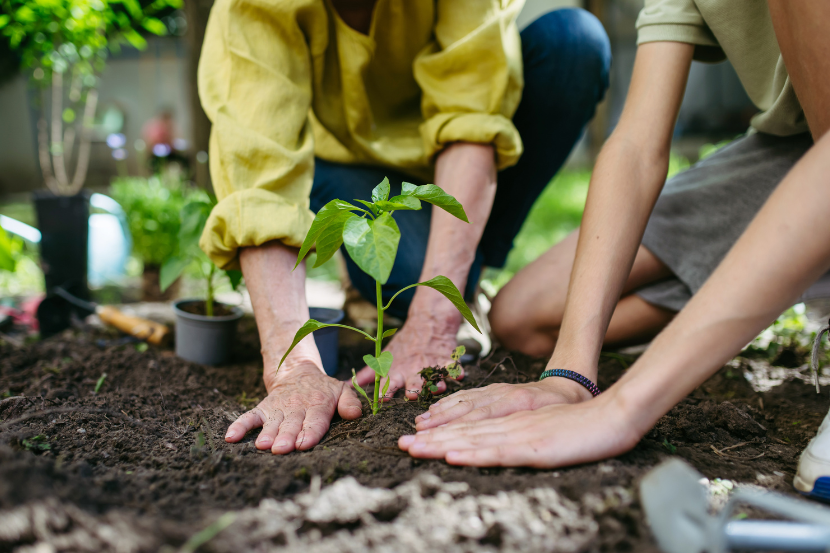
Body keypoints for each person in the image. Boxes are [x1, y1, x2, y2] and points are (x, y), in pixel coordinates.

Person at [398, 0, 830, 491]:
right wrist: (570, 377)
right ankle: (788, 274)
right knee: (524, 317)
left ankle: (792, 269)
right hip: (788, 148)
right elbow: (637, 147)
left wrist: (623, 409)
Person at [198, 0, 611, 454]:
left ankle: (462, 280)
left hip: (455, 166)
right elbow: (260, 181)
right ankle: (454, 283)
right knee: (410, 276)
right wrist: (294, 367)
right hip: (344, 163)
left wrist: (434, 319)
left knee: (573, 43)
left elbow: (472, 119)